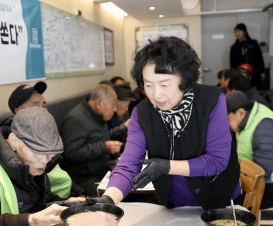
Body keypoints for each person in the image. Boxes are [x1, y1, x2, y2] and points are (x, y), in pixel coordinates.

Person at [97, 36, 241, 209]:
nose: (156, 94)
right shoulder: (142, 113)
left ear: (184, 79)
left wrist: (167, 167)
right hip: (173, 203)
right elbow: (129, 163)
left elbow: (217, 160)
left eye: (164, 84)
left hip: (219, 199)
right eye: (148, 85)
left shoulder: (211, 101)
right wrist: (108, 200)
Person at [225, 91, 273, 208]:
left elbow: (261, 173)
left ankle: (237, 224)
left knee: (225, 199)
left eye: (227, 118)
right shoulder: (247, 119)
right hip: (270, 180)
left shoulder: (264, 127)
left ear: (241, 112)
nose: (226, 123)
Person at [6, 81, 74, 199]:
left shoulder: (47, 129)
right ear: (18, 111)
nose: (42, 109)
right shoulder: (19, 140)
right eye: (35, 105)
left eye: (44, 104)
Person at [60, 84, 122, 196]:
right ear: (98, 103)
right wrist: (104, 147)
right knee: (112, 196)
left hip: (103, 168)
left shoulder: (97, 115)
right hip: (83, 177)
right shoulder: (76, 120)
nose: (115, 109)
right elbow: (71, 153)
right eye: (113, 104)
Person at [230, 23, 266, 89]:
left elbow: (260, 58)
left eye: (239, 31)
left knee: (255, 92)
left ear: (244, 32)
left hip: (254, 74)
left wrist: (262, 71)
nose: (237, 34)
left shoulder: (253, 43)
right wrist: (233, 75)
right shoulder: (234, 47)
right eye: (236, 32)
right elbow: (232, 62)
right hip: (240, 75)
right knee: (242, 91)